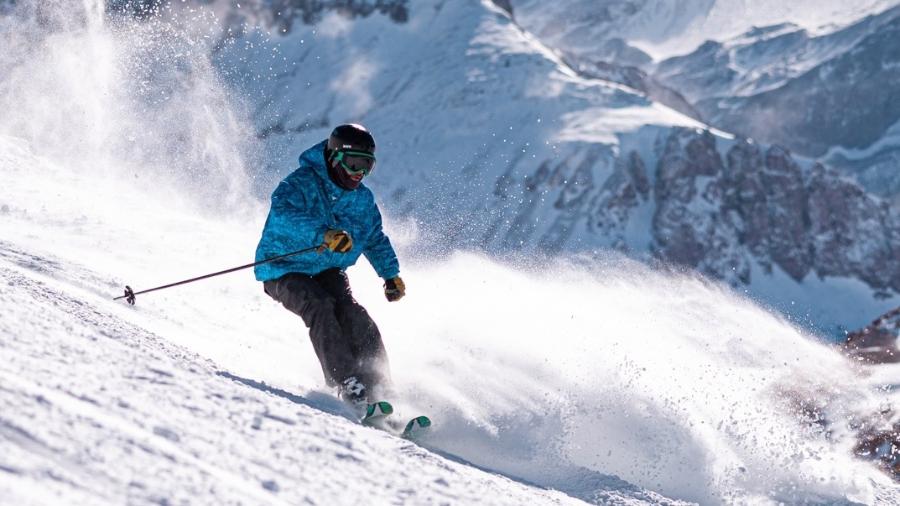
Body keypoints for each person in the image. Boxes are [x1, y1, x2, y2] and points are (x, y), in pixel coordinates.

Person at [254, 123, 405, 408]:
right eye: (354, 163)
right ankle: (348, 385)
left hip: (326, 268)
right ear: (335, 157)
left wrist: (390, 274)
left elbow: (373, 237)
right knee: (319, 304)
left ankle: (382, 387)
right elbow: (285, 215)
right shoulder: (300, 183)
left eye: (367, 166)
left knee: (353, 313)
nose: (359, 173)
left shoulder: (362, 199)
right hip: (283, 267)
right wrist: (323, 234)